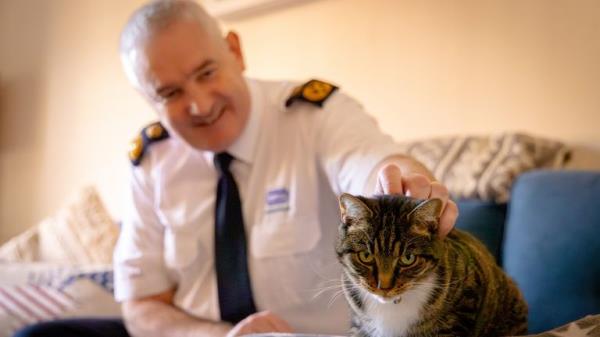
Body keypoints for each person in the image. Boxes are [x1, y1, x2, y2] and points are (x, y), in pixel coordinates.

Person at [13, 1, 458, 336]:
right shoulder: (151, 161)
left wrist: (402, 183)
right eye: (169, 93)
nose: (199, 106)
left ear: (235, 51)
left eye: (207, 73)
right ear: (149, 100)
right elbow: (142, 304)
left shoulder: (316, 113)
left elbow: (372, 163)